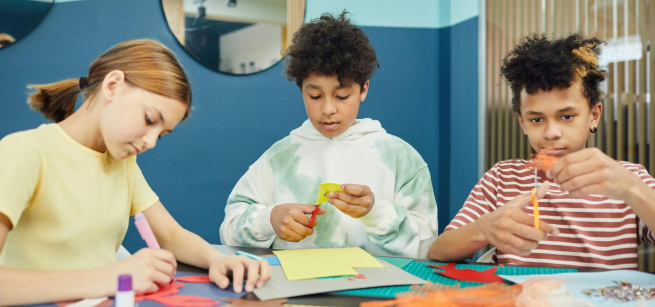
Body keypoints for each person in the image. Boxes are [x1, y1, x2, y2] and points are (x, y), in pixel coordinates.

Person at [0, 39, 270, 305]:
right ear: (113, 85)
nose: (151, 142)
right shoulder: (25, 151)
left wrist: (218, 260)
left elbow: (170, 235)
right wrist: (113, 276)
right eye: (149, 120)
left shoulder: (123, 163)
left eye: (161, 135)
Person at [220, 12, 438, 258]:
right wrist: (269, 219)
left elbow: (429, 246)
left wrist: (376, 212)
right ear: (301, 89)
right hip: (294, 288)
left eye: (342, 96)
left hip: (374, 291)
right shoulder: (279, 158)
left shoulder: (399, 158)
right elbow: (229, 229)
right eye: (314, 96)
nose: (328, 109)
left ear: (364, 88)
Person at [429, 33, 655, 270]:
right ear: (522, 123)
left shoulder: (629, 178)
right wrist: (484, 228)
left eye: (567, 116)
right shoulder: (502, 177)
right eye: (537, 119)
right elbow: (438, 250)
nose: (551, 133)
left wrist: (631, 189)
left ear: (594, 116)